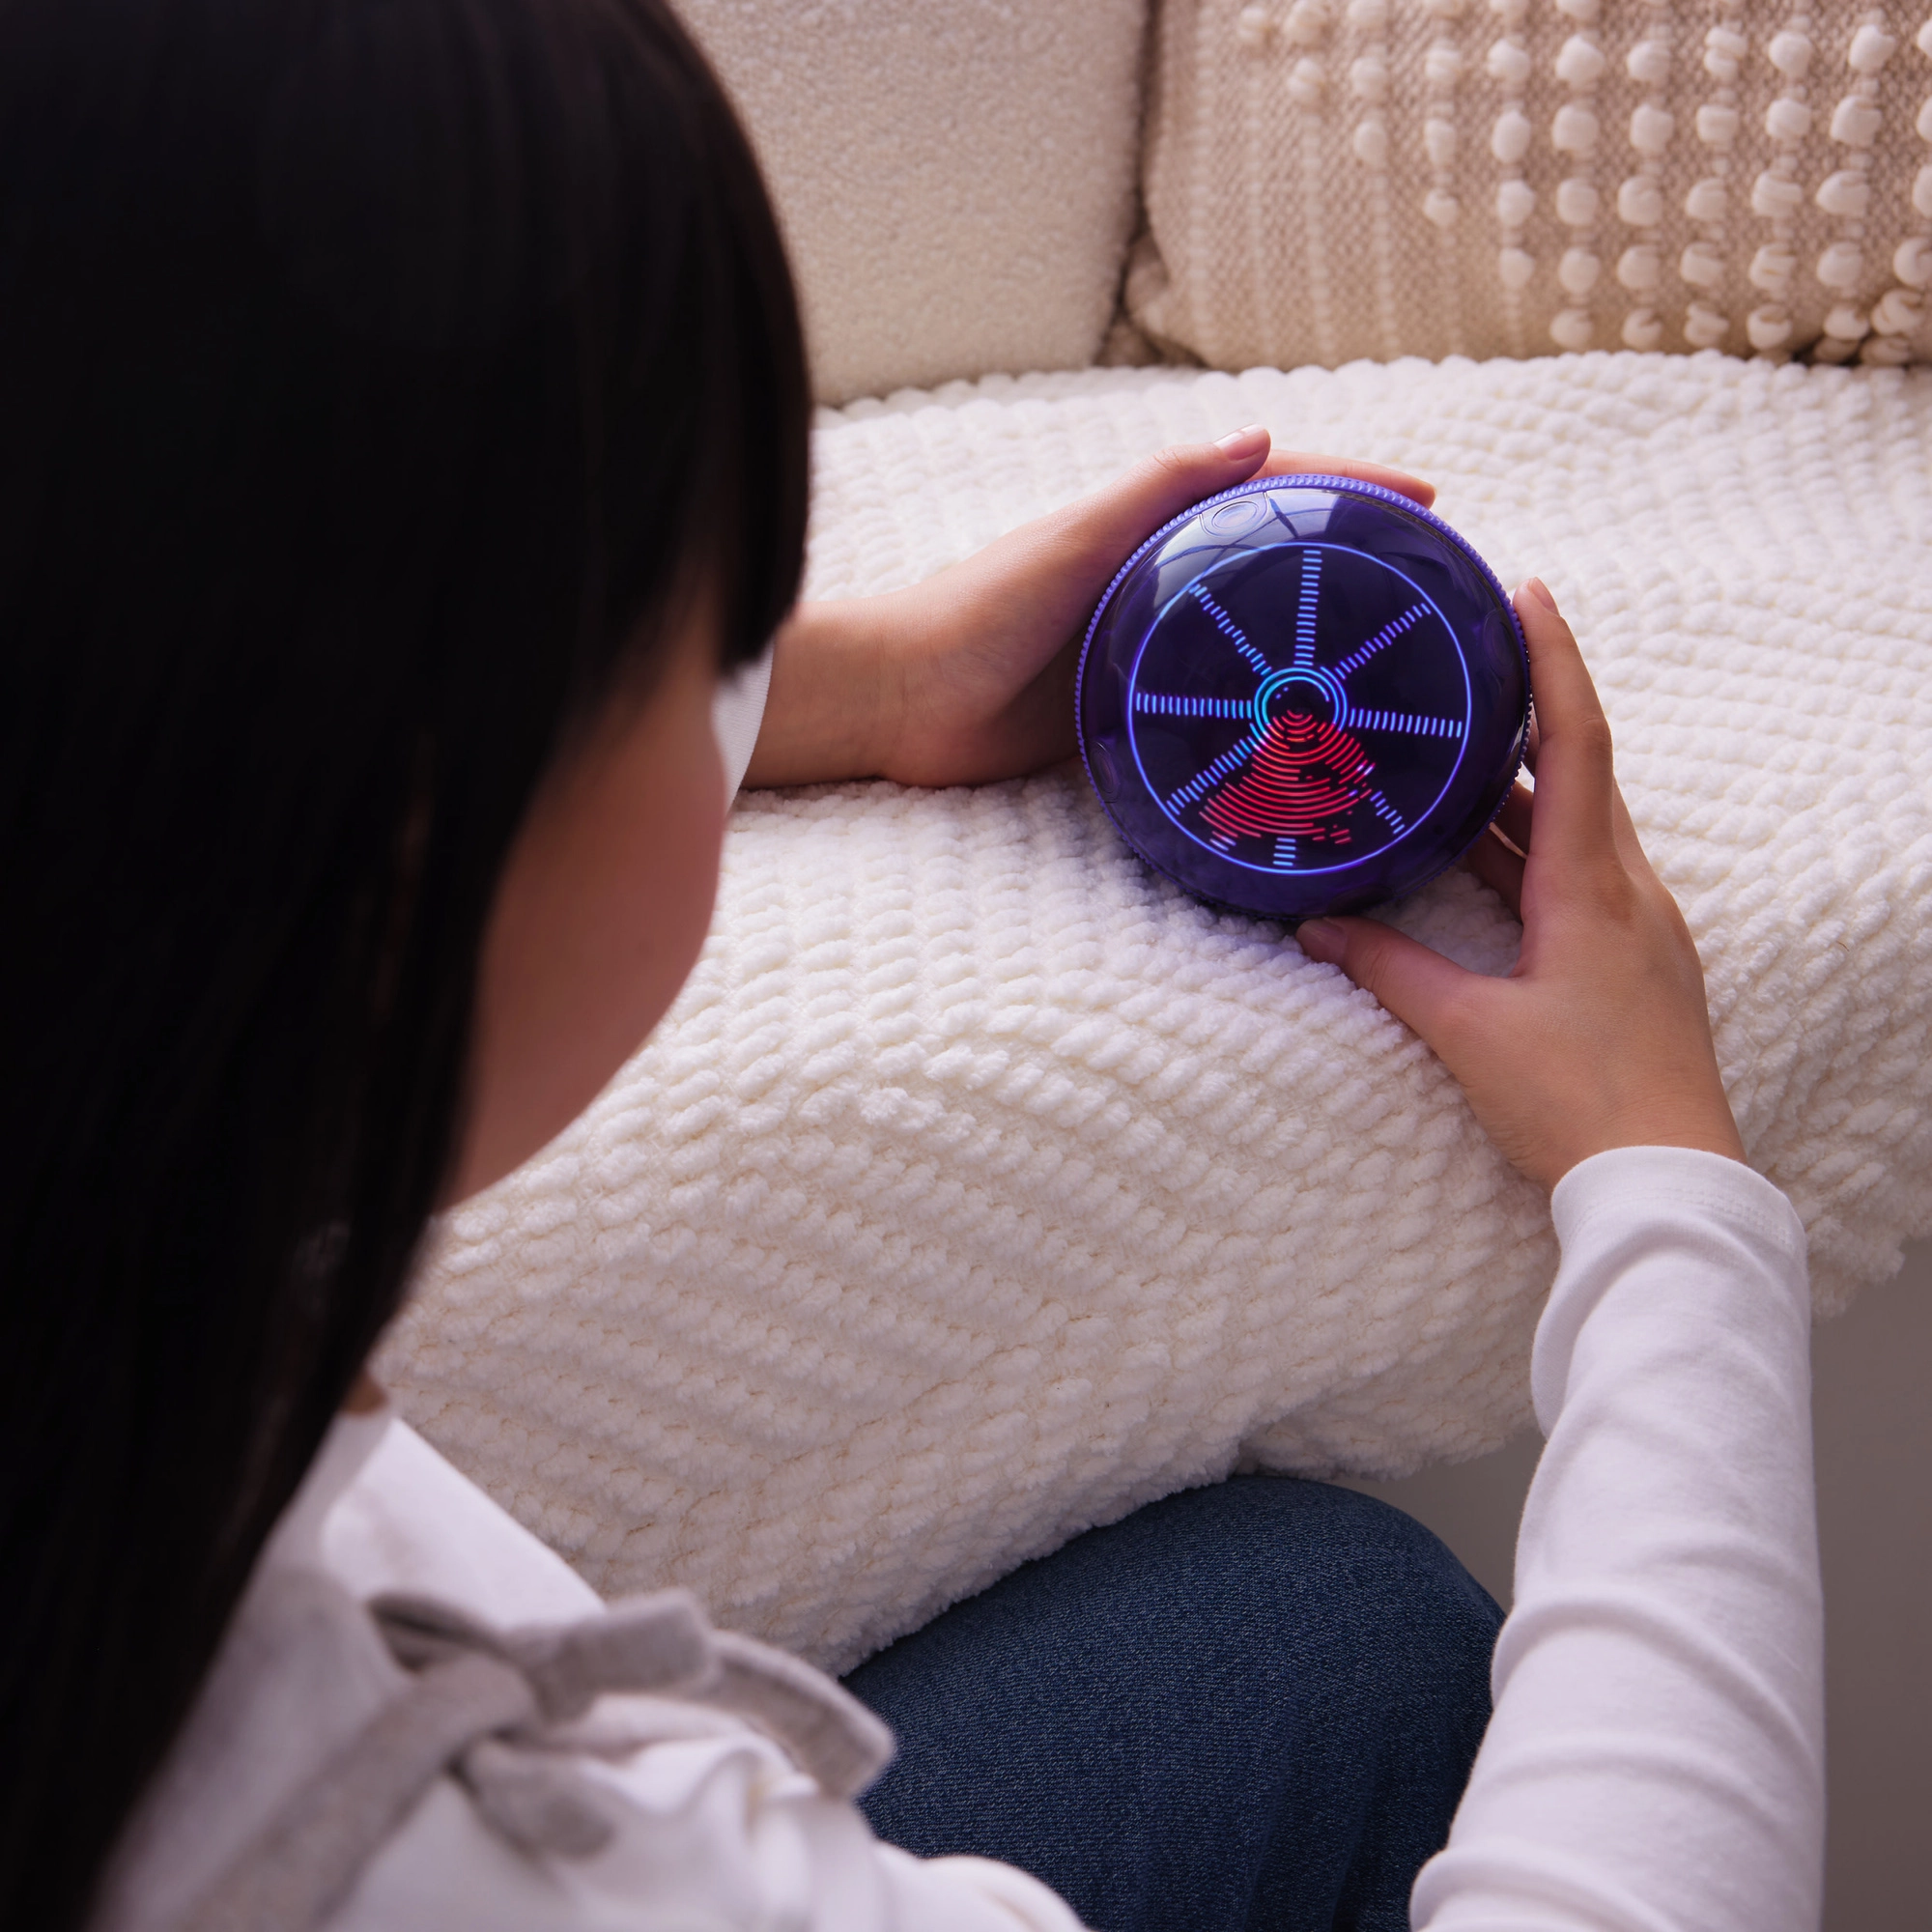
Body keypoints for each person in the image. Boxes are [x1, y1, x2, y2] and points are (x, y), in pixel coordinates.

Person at [0, 1, 1822, 1929]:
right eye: (712, 629)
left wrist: (869, 684)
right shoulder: (500, 1866)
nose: (741, 676)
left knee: (1323, 1642)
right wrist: (1670, 1188)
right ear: (413, 859)